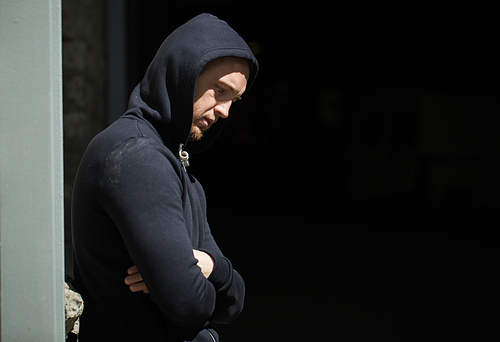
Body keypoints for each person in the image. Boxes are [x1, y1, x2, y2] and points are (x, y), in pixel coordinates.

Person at [71, 13, 258, 341]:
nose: (226, 111)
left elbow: (235, 301)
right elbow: (188, 305)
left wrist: (213, 269)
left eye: (235, 100)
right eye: (219, 90)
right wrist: (186, 281)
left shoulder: (174, 163)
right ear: (183, 73)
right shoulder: (136, 156)